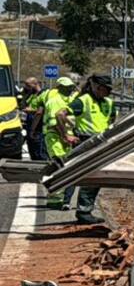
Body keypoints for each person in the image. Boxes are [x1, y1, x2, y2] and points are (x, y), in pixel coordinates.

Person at [69, 74, 116, 223]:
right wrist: (67, 134)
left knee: (98, 177)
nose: (107, 92)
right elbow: (61, 114)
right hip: (86, 141)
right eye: (105, 89)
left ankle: (86, 208)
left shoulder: (109, 102)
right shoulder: (84, 101)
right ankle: (83, 211)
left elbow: (113, 119)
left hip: (101, 141)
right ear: (96, 87)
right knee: (90, 176)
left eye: (109, 89)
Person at [42, 74, 79, 210]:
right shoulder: (54, 101)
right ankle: (55, 198)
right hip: (55, 137)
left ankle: (61, 198)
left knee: (66, 166)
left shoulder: (69, 99)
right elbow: (54, 123)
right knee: (59, 166)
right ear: (59, 87)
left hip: (66, 137)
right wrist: (64, 136)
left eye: (71, 87)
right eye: (67, 87)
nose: (70, 89)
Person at [18, 78, 45, 160]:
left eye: (28, 85)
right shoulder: (32, 94)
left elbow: (40, 111)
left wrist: (31, 110)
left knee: (38, 149)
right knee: (31, 149)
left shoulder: (42, 95)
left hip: (37, 125)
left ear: (35, 84)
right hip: (29, 123)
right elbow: (25, 104)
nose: (26, 87)